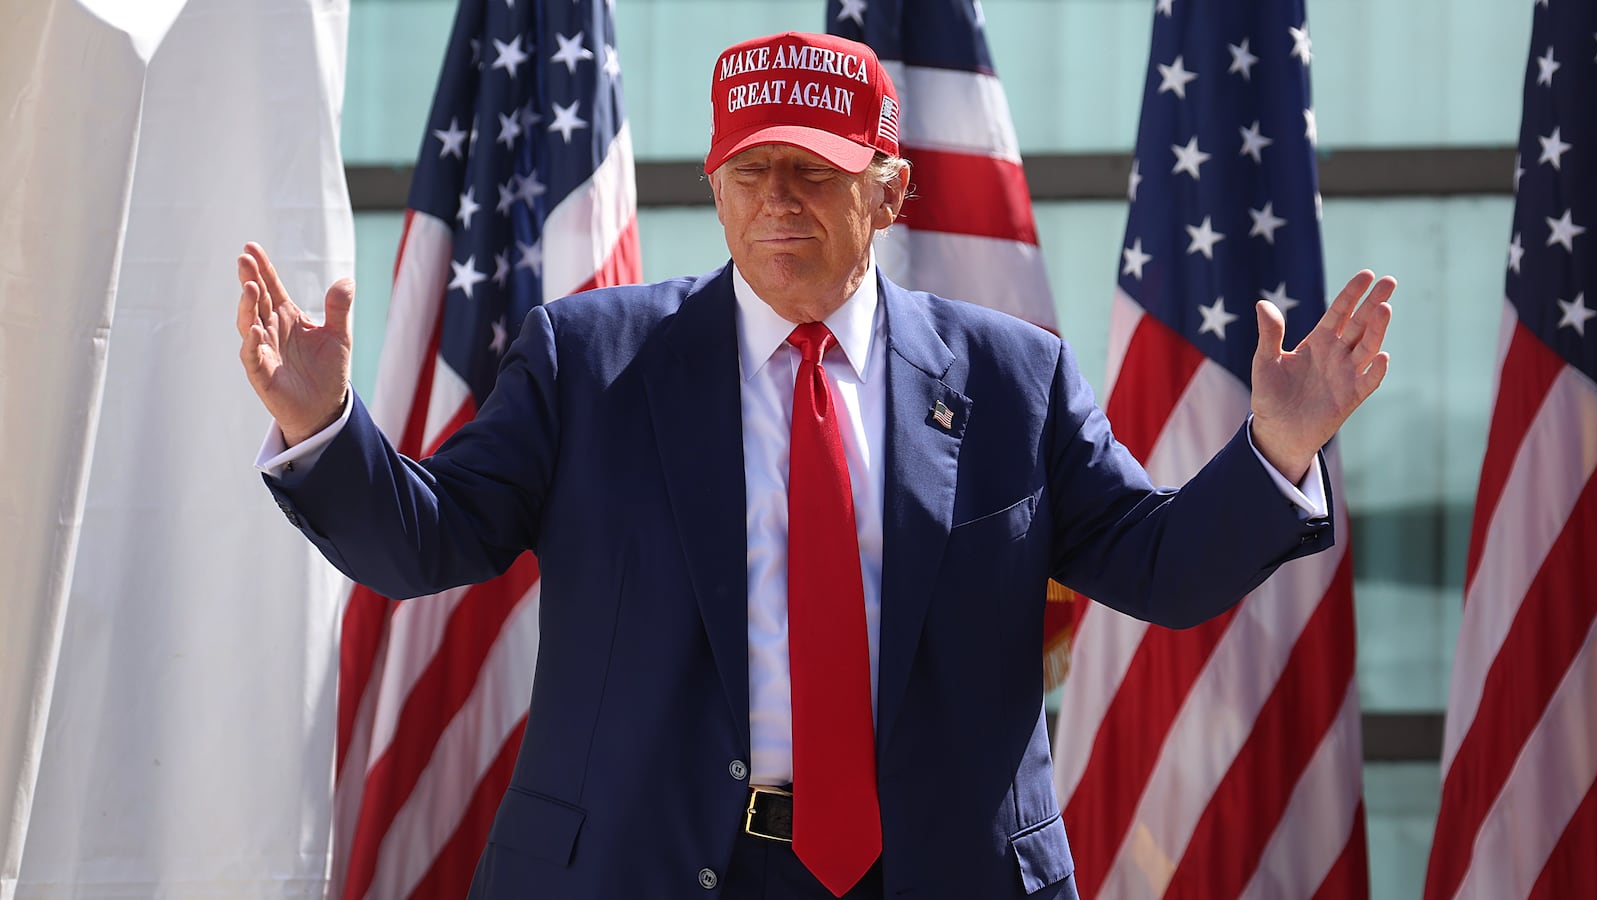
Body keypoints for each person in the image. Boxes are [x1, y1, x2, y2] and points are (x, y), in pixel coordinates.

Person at [238, 30, 1393, 900]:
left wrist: (1278, 448)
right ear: (713, 184)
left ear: (889, 190)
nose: (778, 199)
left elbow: (1160, 569)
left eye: (815, 169)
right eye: (751, 170)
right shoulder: (589, 362)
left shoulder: (1010, 377)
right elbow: (429, 540)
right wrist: (325, 425)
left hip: (937, 870)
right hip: (647, 864)